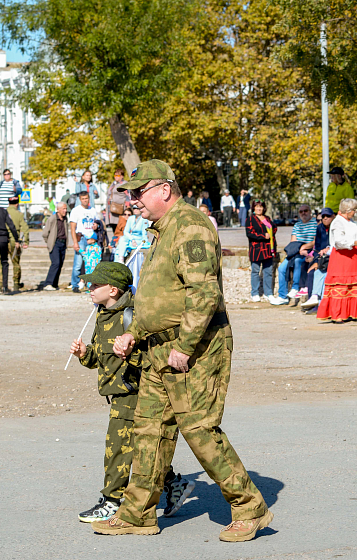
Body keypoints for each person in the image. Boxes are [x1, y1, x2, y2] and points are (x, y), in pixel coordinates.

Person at [96, 159, 272, 541]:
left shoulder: (190, 225)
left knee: (199, 430)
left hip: (194, 347)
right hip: (159, 348)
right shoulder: (162, 230)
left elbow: (204, 293)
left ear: (164, 190)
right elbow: (162, 296)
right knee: (149, 431)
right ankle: (137, 514)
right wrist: (135, 333)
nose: (133, 202)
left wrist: (187, 345)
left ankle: (249, 506)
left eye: (138, 193)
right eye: (129, 194)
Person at [70, 262, 195, 523]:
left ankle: (112, 500)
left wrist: (130, 355)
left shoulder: (134, 315)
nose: (89, 289)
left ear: (113, 289)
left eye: (94, 285)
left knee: (117, 447)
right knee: (140, 446)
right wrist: (84, 354)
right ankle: (174, 483)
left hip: (133, 391)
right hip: (117, 391)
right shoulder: (103, 313)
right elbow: (99, 358)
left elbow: (151, 356)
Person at [317, 198, 357, 321]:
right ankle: (337, 314)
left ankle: (353, 313)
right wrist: (354, 243)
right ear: (348, 210)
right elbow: (339, 242)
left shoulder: (351, 223)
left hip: (353, 257)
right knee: (340, 286)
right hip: (342, 257)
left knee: (352, 286)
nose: (355, 212)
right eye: (354, 210)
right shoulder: (337, 222)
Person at [269, 204, 316, 305]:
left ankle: (295, 287)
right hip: (297, 251)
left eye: (305, 211)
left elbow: (315, 241)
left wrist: (304, 247)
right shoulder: (297, 225)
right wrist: (299, 249)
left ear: (310, 211)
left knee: (298, 261)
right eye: (301, 211)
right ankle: (282, 296)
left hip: (308, 252)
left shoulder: (315, 223)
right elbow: (293, 241)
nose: (303, 213)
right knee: (281, 268)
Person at [301, 207, 335, 310]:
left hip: (332, 258)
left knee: (319, 272)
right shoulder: (320, 228)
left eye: (327, 216)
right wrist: (315, 260)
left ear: (333, 217)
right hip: (321, 258)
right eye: (323, 216)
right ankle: (313, 303)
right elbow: (317, 247)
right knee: (311, 271)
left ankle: (319, 305)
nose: (325, 218)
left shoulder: (335, 228)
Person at [246, 199, 277, 302]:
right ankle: (255, 293)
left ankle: (268, 293)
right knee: (255, 271)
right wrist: (263, 236)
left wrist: (271, 231)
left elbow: (274, 228)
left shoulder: (267, 218)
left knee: (268, 271)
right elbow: (250, 234)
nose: (259, 208)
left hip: (268, 249)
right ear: (254, 208)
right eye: (257, 206)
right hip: (256, 249)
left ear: (264, 208)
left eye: (261, 206)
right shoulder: (250, 219)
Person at [70, 191, 101, 293]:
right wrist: (75, 242)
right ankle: (75, 284)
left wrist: (96, 225)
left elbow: (97, 222)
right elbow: (72, 227)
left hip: (91, 239)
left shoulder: (92, 210)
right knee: (78, 263)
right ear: (80, 199)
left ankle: (91, 284)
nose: (85, 200)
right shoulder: (76, 211)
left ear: (89, 198)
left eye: (86, 198)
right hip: (81, 238)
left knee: (92, 263)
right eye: (83, 199)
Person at [41, 202, 68, 291]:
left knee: (60, 264)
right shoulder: (52, 219)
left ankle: (54, 284)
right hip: (55, 243)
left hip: (63, 243)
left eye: (65, 208)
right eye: (63, 209)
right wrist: (49, 243)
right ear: (58, 209)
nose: (65, 210)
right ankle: (48, 283)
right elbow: (45, 233)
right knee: (55, 263)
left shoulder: (65, 219)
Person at [6, 196, 30, 291]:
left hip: (3, 241)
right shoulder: (19, 214)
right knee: (16, 263)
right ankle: (16, 284)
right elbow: (25, 229)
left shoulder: (3, 213)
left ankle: (0, 284)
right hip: (14, 242)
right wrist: (26, 241)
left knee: (1, 263)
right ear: (17, 204)